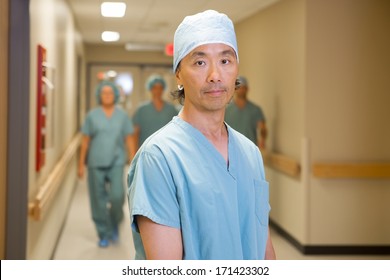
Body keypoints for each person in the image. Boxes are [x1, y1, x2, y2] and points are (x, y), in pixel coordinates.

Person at [128, 10, 276, 260]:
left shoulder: (250, 152)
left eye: (225, 61)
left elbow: (263, 246)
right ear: (178, 73)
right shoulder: (159, 158)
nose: (215, 75)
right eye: (200, 62)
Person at [78, 81, 135, 248]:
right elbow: (85, 141)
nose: (107, 96)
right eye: (104, 93)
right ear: (99, 96)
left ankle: (115, 223)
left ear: (115, 96)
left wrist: (133, 160)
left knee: (117, 196)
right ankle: (103, 232)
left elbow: (129, 138)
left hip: (116, 161)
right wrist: (81, 164)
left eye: (110, 93)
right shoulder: (92, 116)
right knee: (98, 200)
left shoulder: (122, 116)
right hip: (95, 162)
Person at [132, 74, 178, 150]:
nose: (157, 90)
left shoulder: (171, 109)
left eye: (160, 88)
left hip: (166, 149)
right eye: (155, 88)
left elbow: (176, 132)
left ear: (163, 89)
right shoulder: (142, 110)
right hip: (145, 149)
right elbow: (135, 133)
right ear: (150, 89)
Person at [225, 76, 268, 150]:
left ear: (247, 89)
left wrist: (263, 140)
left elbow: (262, 127)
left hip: (250, 149)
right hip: (232, 149)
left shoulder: (255, 110)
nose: (241, 90)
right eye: (239, 88)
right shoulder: (227, 110)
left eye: (243, 87)